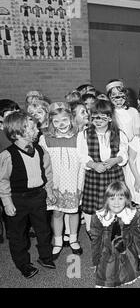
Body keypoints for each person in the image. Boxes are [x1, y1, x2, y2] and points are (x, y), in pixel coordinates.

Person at [0, 111, 55, 278]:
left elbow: (47, 173)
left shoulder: (40, 150)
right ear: (17, 133)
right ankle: (23, 264)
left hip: (38, 196)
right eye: (33, 128)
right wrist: (7, 203)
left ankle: (45, 256)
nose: (38, 130)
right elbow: (2, 181)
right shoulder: (7, 156)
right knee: (18, 234)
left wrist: (49, 191)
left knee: (44, 229)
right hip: (18, 200)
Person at [77, 99, 128, 239]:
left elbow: (123, 153)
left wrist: (115, 160)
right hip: (94, 175)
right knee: (91, 204)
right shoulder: (84, 134)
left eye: (102, 116)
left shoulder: (119, 134)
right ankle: (90, 229)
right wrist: (94, 165)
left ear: (110, 118)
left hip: (113, 174)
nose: (98, 120)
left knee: (114, 201)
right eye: (94, 116)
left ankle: (113, 228)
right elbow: (82, 156)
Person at [39, 102, 83, 259]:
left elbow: (83, 163)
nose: (61, 124)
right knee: (57, 212)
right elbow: (43, 165)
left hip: (73, 182)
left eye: (64, 120)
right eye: (56, 121)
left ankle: (73, 239)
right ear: (51, 122)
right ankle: (58, 240)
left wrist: (80, 184)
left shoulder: (79, 137)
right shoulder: (45, 139)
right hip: (55, 182)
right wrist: (48, 187)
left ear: (71, 119)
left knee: (73, 212)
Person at [90, 181, 140, 287]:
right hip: (107, 251)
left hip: (127, 250)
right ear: (106, 200)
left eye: (120, 198)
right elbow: (95, 240)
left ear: (127, 199)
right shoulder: (99, 217)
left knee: (130, 270)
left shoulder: (132, 215)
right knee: (106, 274)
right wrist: (95, 260)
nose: (116, 203)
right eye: (112, 198)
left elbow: (137, 235)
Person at [0, 99, 20, 243]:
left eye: (16, 112)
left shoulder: (16, 130)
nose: (14, 115)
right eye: (10, 112)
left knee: (12, 203)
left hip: (12, 173)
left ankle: (13, 229)